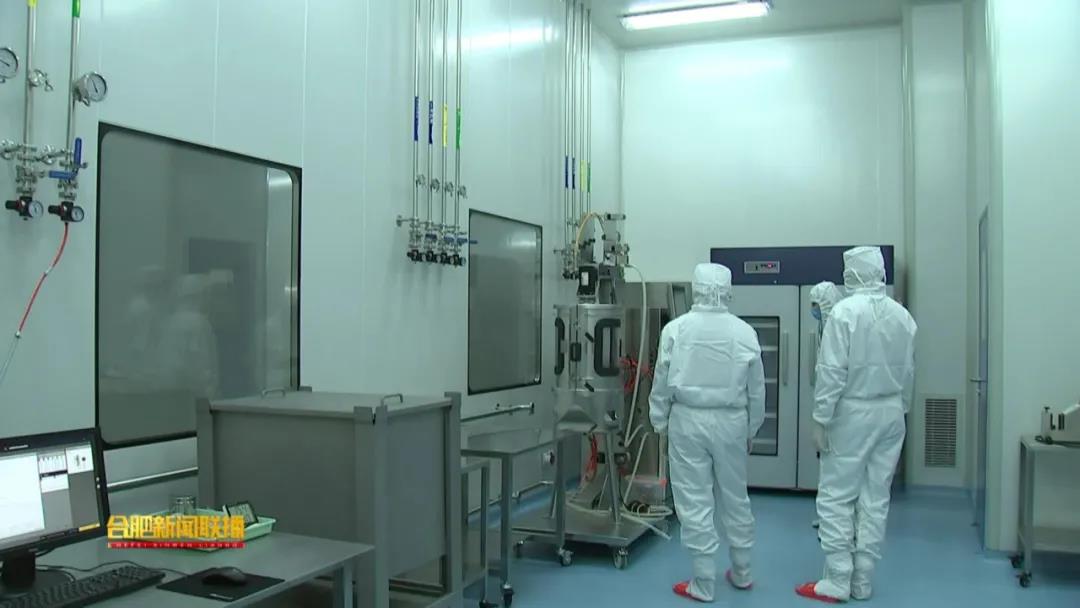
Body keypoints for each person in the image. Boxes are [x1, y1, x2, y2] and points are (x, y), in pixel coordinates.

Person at [797, 247, 917, 603]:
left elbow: (831, 371)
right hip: (891, 413)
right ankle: (863, 579)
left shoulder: (845, 313)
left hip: (853, 413)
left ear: (851, 274)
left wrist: (821, 418)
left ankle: (838, 578)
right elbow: (909, 371)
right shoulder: (902, 316)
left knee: (837, 495)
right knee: (876, 496)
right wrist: (901, 409)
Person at [649, 263, 766, 603]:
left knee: (694, 498)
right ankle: (742, 571)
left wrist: (659, 421)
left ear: (696, 288)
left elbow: (661, 380)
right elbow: (757, 390)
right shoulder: (744, 332)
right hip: (732, 422)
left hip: (687, 420)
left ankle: (703, 582)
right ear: (727, 289)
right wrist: (752, 427)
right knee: (735, 495)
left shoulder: (676, 329)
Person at [808, 280, 844, 530]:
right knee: (829, 467)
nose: (813, 310)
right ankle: (827, 519)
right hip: (831, 408)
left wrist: (821, 417)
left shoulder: (837, 329)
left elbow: (832, 374)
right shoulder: (826, 327)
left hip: (838, 412)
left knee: (835, 470)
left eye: (815, 305)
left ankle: (834, 525)